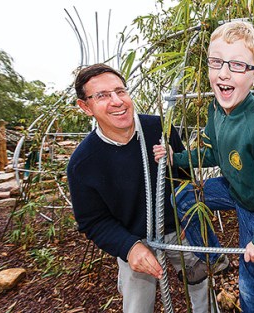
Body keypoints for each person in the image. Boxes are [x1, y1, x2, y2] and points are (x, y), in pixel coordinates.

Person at [153, 21, 254, 312]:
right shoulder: (216, 109)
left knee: (250, 276)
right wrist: (174, 157)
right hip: (233, 186)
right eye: (216, 62)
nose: (224, 73)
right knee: (183, 198)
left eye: (238, 65)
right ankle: (215, 256)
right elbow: (212, 153)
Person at [67, 63, 210, 313]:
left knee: (200, 283)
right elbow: (92, 220)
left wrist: (189, 218)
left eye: (120, 91)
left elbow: (185, 177)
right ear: (85, 107)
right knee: (137, 305)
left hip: (179, 230)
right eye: (102, 95)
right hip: (133, 237)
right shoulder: (83, 163)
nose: (117, 101)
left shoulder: (160, 129)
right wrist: (129, 247)